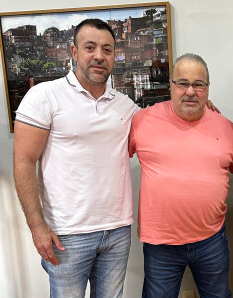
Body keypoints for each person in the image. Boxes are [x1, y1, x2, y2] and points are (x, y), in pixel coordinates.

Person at [13, 19, 139, 297]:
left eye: (107, 50)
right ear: (73, 51)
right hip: (67, 234)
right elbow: (23, 162)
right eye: (90, 47)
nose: (99, 56)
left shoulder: (126, 106)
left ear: (114, 56)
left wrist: (202, 105)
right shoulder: (44, 96)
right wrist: (37, 227)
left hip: (117, 230)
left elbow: (162, 126)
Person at [129, 53, 233, 298]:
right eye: (183, 83)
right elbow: (110, 160)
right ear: (171, 85)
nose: (191, 91)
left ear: (207, 88)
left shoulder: (228, 128)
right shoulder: (141, 121)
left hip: (211, 239)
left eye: (198, 85)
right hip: (161, 244)